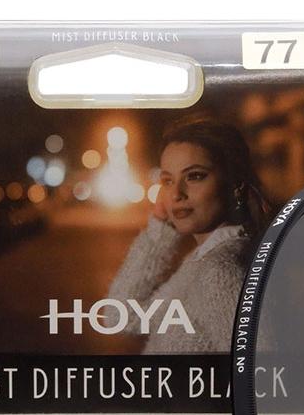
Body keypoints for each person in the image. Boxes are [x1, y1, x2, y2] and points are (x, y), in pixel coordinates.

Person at [108, 118, 269, 353]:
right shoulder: (203, 260)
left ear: (235, 184)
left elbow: (259, 367)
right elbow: (121, 317)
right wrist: (160, 228)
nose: (176, 194)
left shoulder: (219, 272)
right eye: (167, 180)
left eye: (194, 176)